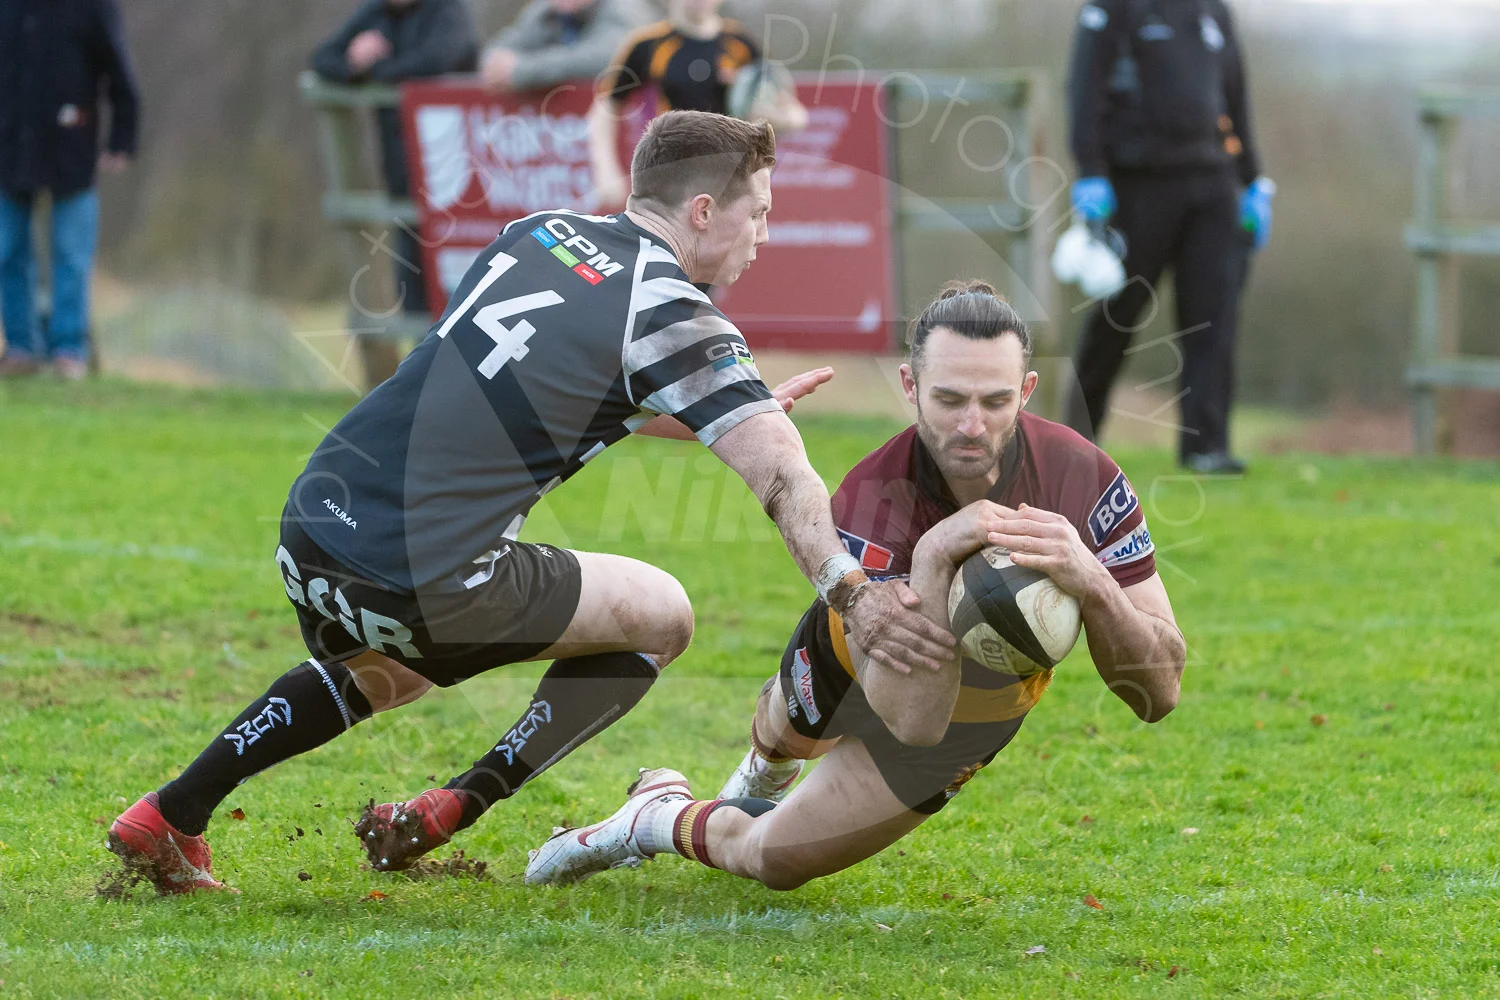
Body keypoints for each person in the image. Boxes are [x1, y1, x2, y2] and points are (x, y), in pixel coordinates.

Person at [105, 111, 955, 895]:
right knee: (663, 616)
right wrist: (853, 592)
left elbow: (527, 380)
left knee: (392, 662)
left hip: (315, 526)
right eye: (758, 212)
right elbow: (783, 480)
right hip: (425, 576)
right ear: (703, 211)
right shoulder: (675, 313)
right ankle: (462, 802)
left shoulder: (539, 232)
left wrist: (720, 412)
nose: (763, 235)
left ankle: (172, 812)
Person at [525, 282, 1186, 890]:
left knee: (770, 861)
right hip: (856, 654)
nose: (971, 425)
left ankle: (652, 816)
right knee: (782, 728)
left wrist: (1092, 582)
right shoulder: (870, 500)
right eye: (949, 399)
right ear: (910, 385)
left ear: (1028, 390)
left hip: (966, 721)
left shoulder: (1086, 481)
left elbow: (1157, 695)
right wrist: (935, 554)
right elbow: (905, 705)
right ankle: (765, 768)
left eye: (995, 401)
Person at [1060, 0, 1275, 475]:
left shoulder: (1213, 11)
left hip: (1213, 182)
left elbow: (1234, 96)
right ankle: (1074, 439)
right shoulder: (1111, 9)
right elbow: (1085, 88)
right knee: (1118, 314)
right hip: (1138, 182)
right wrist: (1090, 169)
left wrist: (1253, 180)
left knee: (1213, 317)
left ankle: (1206, 447)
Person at [311, 0, 479, 386]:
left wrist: (373, 70)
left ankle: (461, 382)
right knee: (412, 281)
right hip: (403, 175)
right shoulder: (377, 12)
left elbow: (435, 61)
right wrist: (354, 65)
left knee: (457, 284)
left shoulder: (448, 11)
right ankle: (422, 382)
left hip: (460, 181)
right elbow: (323, 59)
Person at [0, 0, 138, 380]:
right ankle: (21, 348)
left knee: (72, 256)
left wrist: (122, 139)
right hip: (10, 150)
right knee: (7, 251)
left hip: (71, 151)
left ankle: (69, 352)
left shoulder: (91, 6)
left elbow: (118, 71)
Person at [588, 0, 807, 210]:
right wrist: (605, 168)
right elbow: (605, 108)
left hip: (730, 176)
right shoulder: (646, 44)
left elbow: (795, 114)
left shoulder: (743, 42)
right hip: (669, 172)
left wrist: (768, 115)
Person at [479, 0, 656, 94]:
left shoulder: (624, 7)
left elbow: (607, 57)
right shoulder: (547, 9)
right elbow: (501, 48)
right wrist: (494, 65)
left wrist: (522, 71)